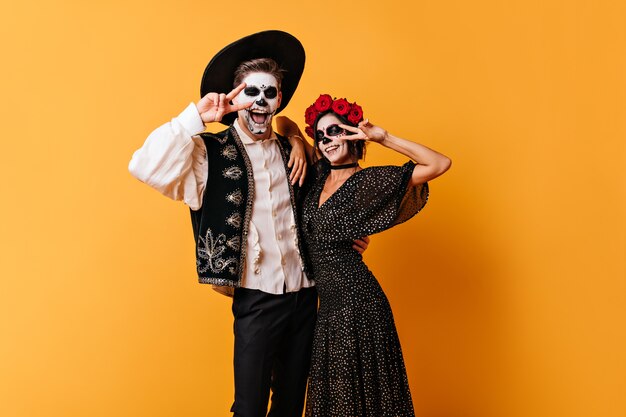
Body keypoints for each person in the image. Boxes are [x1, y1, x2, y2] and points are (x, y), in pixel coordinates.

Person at [128, 32, 368, 417]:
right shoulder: (208, 153)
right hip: (256, 298)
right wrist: (196, 117)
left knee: (291, 405)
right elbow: (143, 166)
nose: (260, 101)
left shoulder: (295, 150)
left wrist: (341, 237)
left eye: (269, 93)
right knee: (250, 408)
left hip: (306, 294)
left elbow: (326, 199)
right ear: (235, 99)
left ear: (278, 100)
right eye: (250, 92)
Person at [276, 94, 451, 417]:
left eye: (336, 131)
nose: (327, 140)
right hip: (327, 310)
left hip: (359, 305)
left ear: (352, 134)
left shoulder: (368, 182)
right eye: (321, 134)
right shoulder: (316, 173)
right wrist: (297, 142)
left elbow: (439, 164)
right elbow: (282, 121)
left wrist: (383, 137)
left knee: (363, 403)